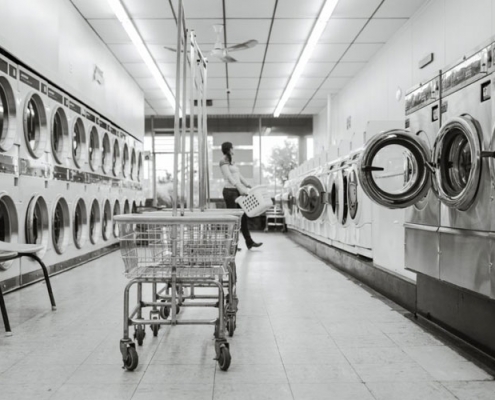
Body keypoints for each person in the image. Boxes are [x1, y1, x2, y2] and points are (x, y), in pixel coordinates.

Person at [220, 141, 262, 250]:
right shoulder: (223, 161)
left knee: (243, 218)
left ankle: (249, 242)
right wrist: (239, 187)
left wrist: (248, 185)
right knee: (233, 219)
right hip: (229, 192)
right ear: (229, 149)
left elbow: (238, 175)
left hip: (237, 191)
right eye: (232, 148)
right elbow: (229, 176)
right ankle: (231, 245)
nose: (233, 150)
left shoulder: (232, 162)